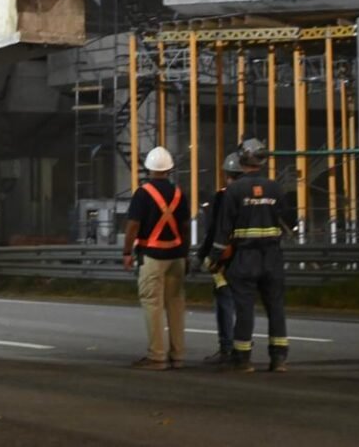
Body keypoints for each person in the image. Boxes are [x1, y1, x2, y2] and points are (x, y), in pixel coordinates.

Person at [204, 138, 290, 373]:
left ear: (242, 159)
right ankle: (279, 359)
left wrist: (213, 257)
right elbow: (288, 221)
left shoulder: (234, 190)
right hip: (272, 257)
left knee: (244, 309)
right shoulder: (275, 188)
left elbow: (223, 231)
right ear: (263, 160)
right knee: (276, 308)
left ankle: (243, 359)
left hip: (244, 258)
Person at [122, 146, 189, 370]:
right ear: (169, 169)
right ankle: (178, 355)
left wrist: (127, 252)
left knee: (153, 305)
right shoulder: (179, 193)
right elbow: (185, 227)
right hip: (177, 256)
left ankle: (157, 356)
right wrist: (186, 254)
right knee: (176, 305)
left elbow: (133, 226)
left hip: (152, 257)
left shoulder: (143, 193)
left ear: (148, 168)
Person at [195, 152, 242, 364]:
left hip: (225, 256)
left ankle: (226, 349)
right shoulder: (257, 193)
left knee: (225, 301)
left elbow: (215, 230)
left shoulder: (223, 196)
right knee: (245, 305)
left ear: (227, 174)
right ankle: (243, 352)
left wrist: (204, 255)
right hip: (253, 258)